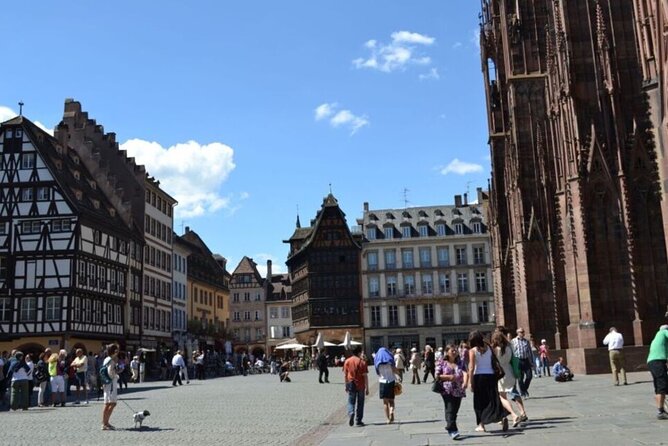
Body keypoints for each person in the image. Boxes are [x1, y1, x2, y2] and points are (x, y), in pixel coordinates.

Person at [468, 330, 508, 432]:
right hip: (491, 376)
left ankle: (481, 425)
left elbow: (471, 368)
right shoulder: (490, 348)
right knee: (493, 399)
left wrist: (470, 383)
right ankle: (502, 417)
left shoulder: (472, 351)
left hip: (479, 377)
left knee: (479, 402)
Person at [492, 331, 528, 428]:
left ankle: (513, 414)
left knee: (502, 397)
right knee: (513, 392)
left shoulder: (495, 349)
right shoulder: (509, 347)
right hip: (510, 371)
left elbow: (493, 362)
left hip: (500, 373)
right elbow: (513, 358)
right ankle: (519, 413)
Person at [436, 344, 467, 440]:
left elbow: (465, 373)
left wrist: (465, 382)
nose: (454, 352)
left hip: (459, 389)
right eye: (452, 350)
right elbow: (437, 375)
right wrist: (450, 377)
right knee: (450, 408)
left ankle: (450, 425)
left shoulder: (460, 362)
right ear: (447, 352)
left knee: (455, 410)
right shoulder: (441, 363)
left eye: (455, 350)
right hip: (446, 389)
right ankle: (452, 430)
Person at [343, 346, 369, 427]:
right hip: (360, 384)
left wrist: (346, 385)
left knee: (351, 401)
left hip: (351, 383)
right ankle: (359, 420)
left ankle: (351, 412)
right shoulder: (362, 362)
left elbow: (345, 375)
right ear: (359, 352)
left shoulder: (347, 361)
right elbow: (365, 376)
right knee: (360, 403)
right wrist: (367, 388)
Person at [646, 324, 668, 419]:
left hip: (652, 362)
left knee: (658, 386)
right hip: (658, 362)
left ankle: (661, 409)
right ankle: (660, 411)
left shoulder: (656, 338)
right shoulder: (663, 332)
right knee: (662, 385)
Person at [374, 347, 399, 424]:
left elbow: (377, 373)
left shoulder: (378, 363)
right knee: (391, 400)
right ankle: (391, 411)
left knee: (385, 402)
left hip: (382, 382)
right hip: (391, 381)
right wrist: (399, 375)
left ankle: (388, 418)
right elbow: (395, 370)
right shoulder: (389, 362)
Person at [511, 328, 533, 398]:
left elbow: (530, 352)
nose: (523, 333)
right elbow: (511, 352)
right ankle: (523, 392)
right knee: (520, 378)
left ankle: (524, 389)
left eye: (523, 332)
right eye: (521, 332)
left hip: (526, 360)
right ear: (517, 333)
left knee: (529, 376)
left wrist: (532, 361)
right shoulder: (513, 341)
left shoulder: (526, 341)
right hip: (517, 361)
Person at [101, 344, 119, 430]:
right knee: (112, 403)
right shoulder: (111, 361)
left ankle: (105, 422)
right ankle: (105, 423)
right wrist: (116, 375)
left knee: (107, 403)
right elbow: (110, 372)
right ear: (115, 351)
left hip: (106, 383)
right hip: (111, 384)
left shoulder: (106, 359)